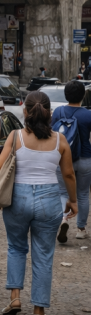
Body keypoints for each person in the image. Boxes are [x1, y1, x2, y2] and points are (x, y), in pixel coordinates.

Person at [0, 91, 78, 315]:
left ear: (25, 111)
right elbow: (68, 173)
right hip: (49, 200)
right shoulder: (60, 141)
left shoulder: (15, 136)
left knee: (16, 247)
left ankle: (15, 298)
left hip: (17, 198)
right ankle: (39, 312)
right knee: (43, 254)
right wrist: (73, 201)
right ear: (49, 113)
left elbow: (0, 165)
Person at [52, 80, 91, 241]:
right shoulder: (88, 114)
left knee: (62, 192)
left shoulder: (58, 112)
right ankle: (81, 229)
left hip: (62, 159)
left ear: (65, 94)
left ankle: (63, 219)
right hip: (84, 158)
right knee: (82, 194)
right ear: (83, 96)